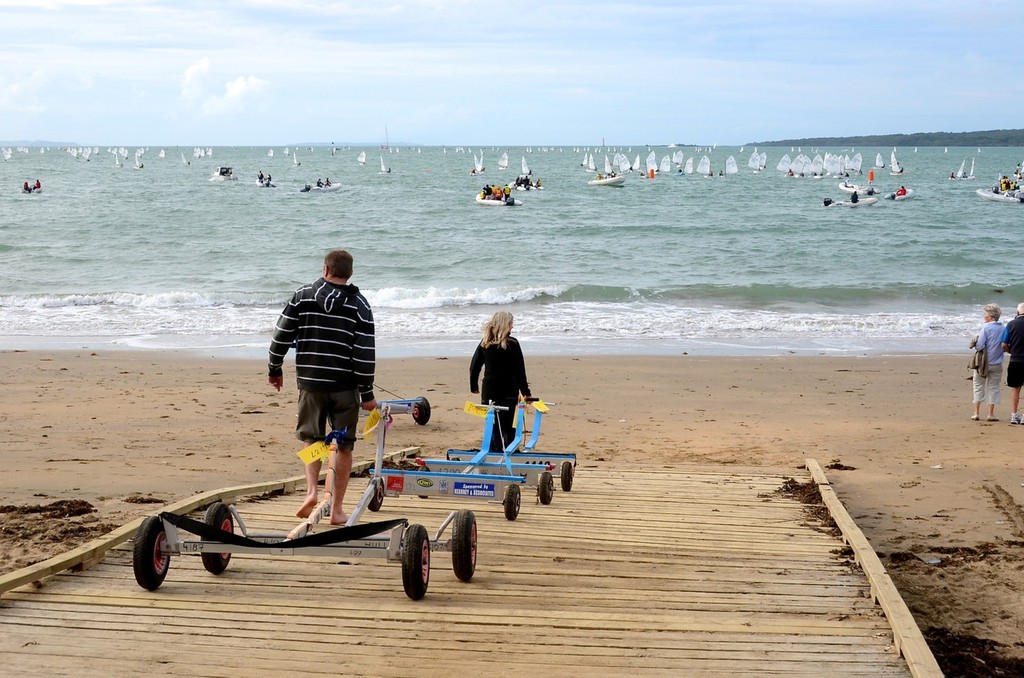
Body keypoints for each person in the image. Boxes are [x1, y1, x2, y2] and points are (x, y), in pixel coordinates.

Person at [268, 249, 377, 523]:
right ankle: (337, 508)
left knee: (311, 437)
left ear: (325, 269)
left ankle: (311, 491)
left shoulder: (302, 295)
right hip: (344, 387)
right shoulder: (360, 306)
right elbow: (364, 353)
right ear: (349, 273)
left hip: (311, 383)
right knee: (345, 446)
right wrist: (367, 393)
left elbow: (281, 335)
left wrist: (275, 367)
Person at [470, 311, 531, 452]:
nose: (512, 327)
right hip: (508, 389)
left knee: (492, 422)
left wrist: (473, 385)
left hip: (489, 390)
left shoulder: (485, 343)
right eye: (511, 324)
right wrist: (525, 392)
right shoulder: (513, 344)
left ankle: (494, 449)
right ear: (506, 325)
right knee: (509, 424)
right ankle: (510, 450)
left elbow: (474, 366)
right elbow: (519, 371)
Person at [970, 304, 1004, 421]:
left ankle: (976, 413)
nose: (984, 316)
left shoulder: (986, 328)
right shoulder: (1003, 328)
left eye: (985, 314)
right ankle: (991, 414)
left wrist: (975, 342)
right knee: (993, 387)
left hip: (983, 363)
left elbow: (979, 346)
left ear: (990, 317)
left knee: (978, 385)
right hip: (997, 362)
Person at [1001, 302, 1024, 424]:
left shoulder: (1011, 324)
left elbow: (1003, 344)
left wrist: (1011, 351)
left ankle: (1014, 415)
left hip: (1016, 360)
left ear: (1018, 312)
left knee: (1015, 389)